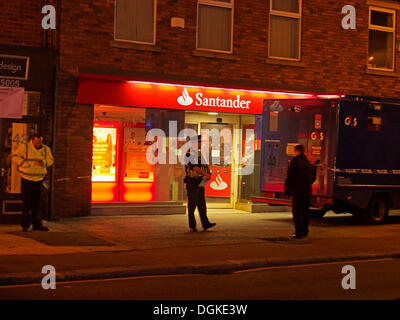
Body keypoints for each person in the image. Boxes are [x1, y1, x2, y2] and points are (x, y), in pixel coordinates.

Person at [12, 133, 54, 232]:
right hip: (27, 178)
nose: (38, 144)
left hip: (39, 179)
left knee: (37, 204)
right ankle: (25, 225)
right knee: (26, 203)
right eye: (37, 142)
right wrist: (25, 164)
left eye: (40, 142)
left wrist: (43, 163)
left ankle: (37, 225)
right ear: (32, 140)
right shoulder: (25, 147)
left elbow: (51, 160)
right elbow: (14, 157)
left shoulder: (46, 149)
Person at [184, 135, 216, 232]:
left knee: (202, 204)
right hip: (193, 183)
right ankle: (192, 226)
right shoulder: (189, 154)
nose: (201, 144)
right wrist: (206, 173)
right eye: (199, 142)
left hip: (200, 182)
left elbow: (204, 165)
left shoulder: (199, 154)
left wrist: (208, 172)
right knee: (192, 205)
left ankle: (205, 223)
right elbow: (195, 168)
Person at [284, 144, 314, 239]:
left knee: (297, 213)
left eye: (293, 151)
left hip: (297, 191)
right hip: (307, 191)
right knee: (305, 212)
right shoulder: (307, 162)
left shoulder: (294, 162)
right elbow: (313, 177)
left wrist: (288, 190)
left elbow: (290, 177)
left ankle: (298, 233)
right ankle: (305, 231)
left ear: (296, 151)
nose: (293, 153)